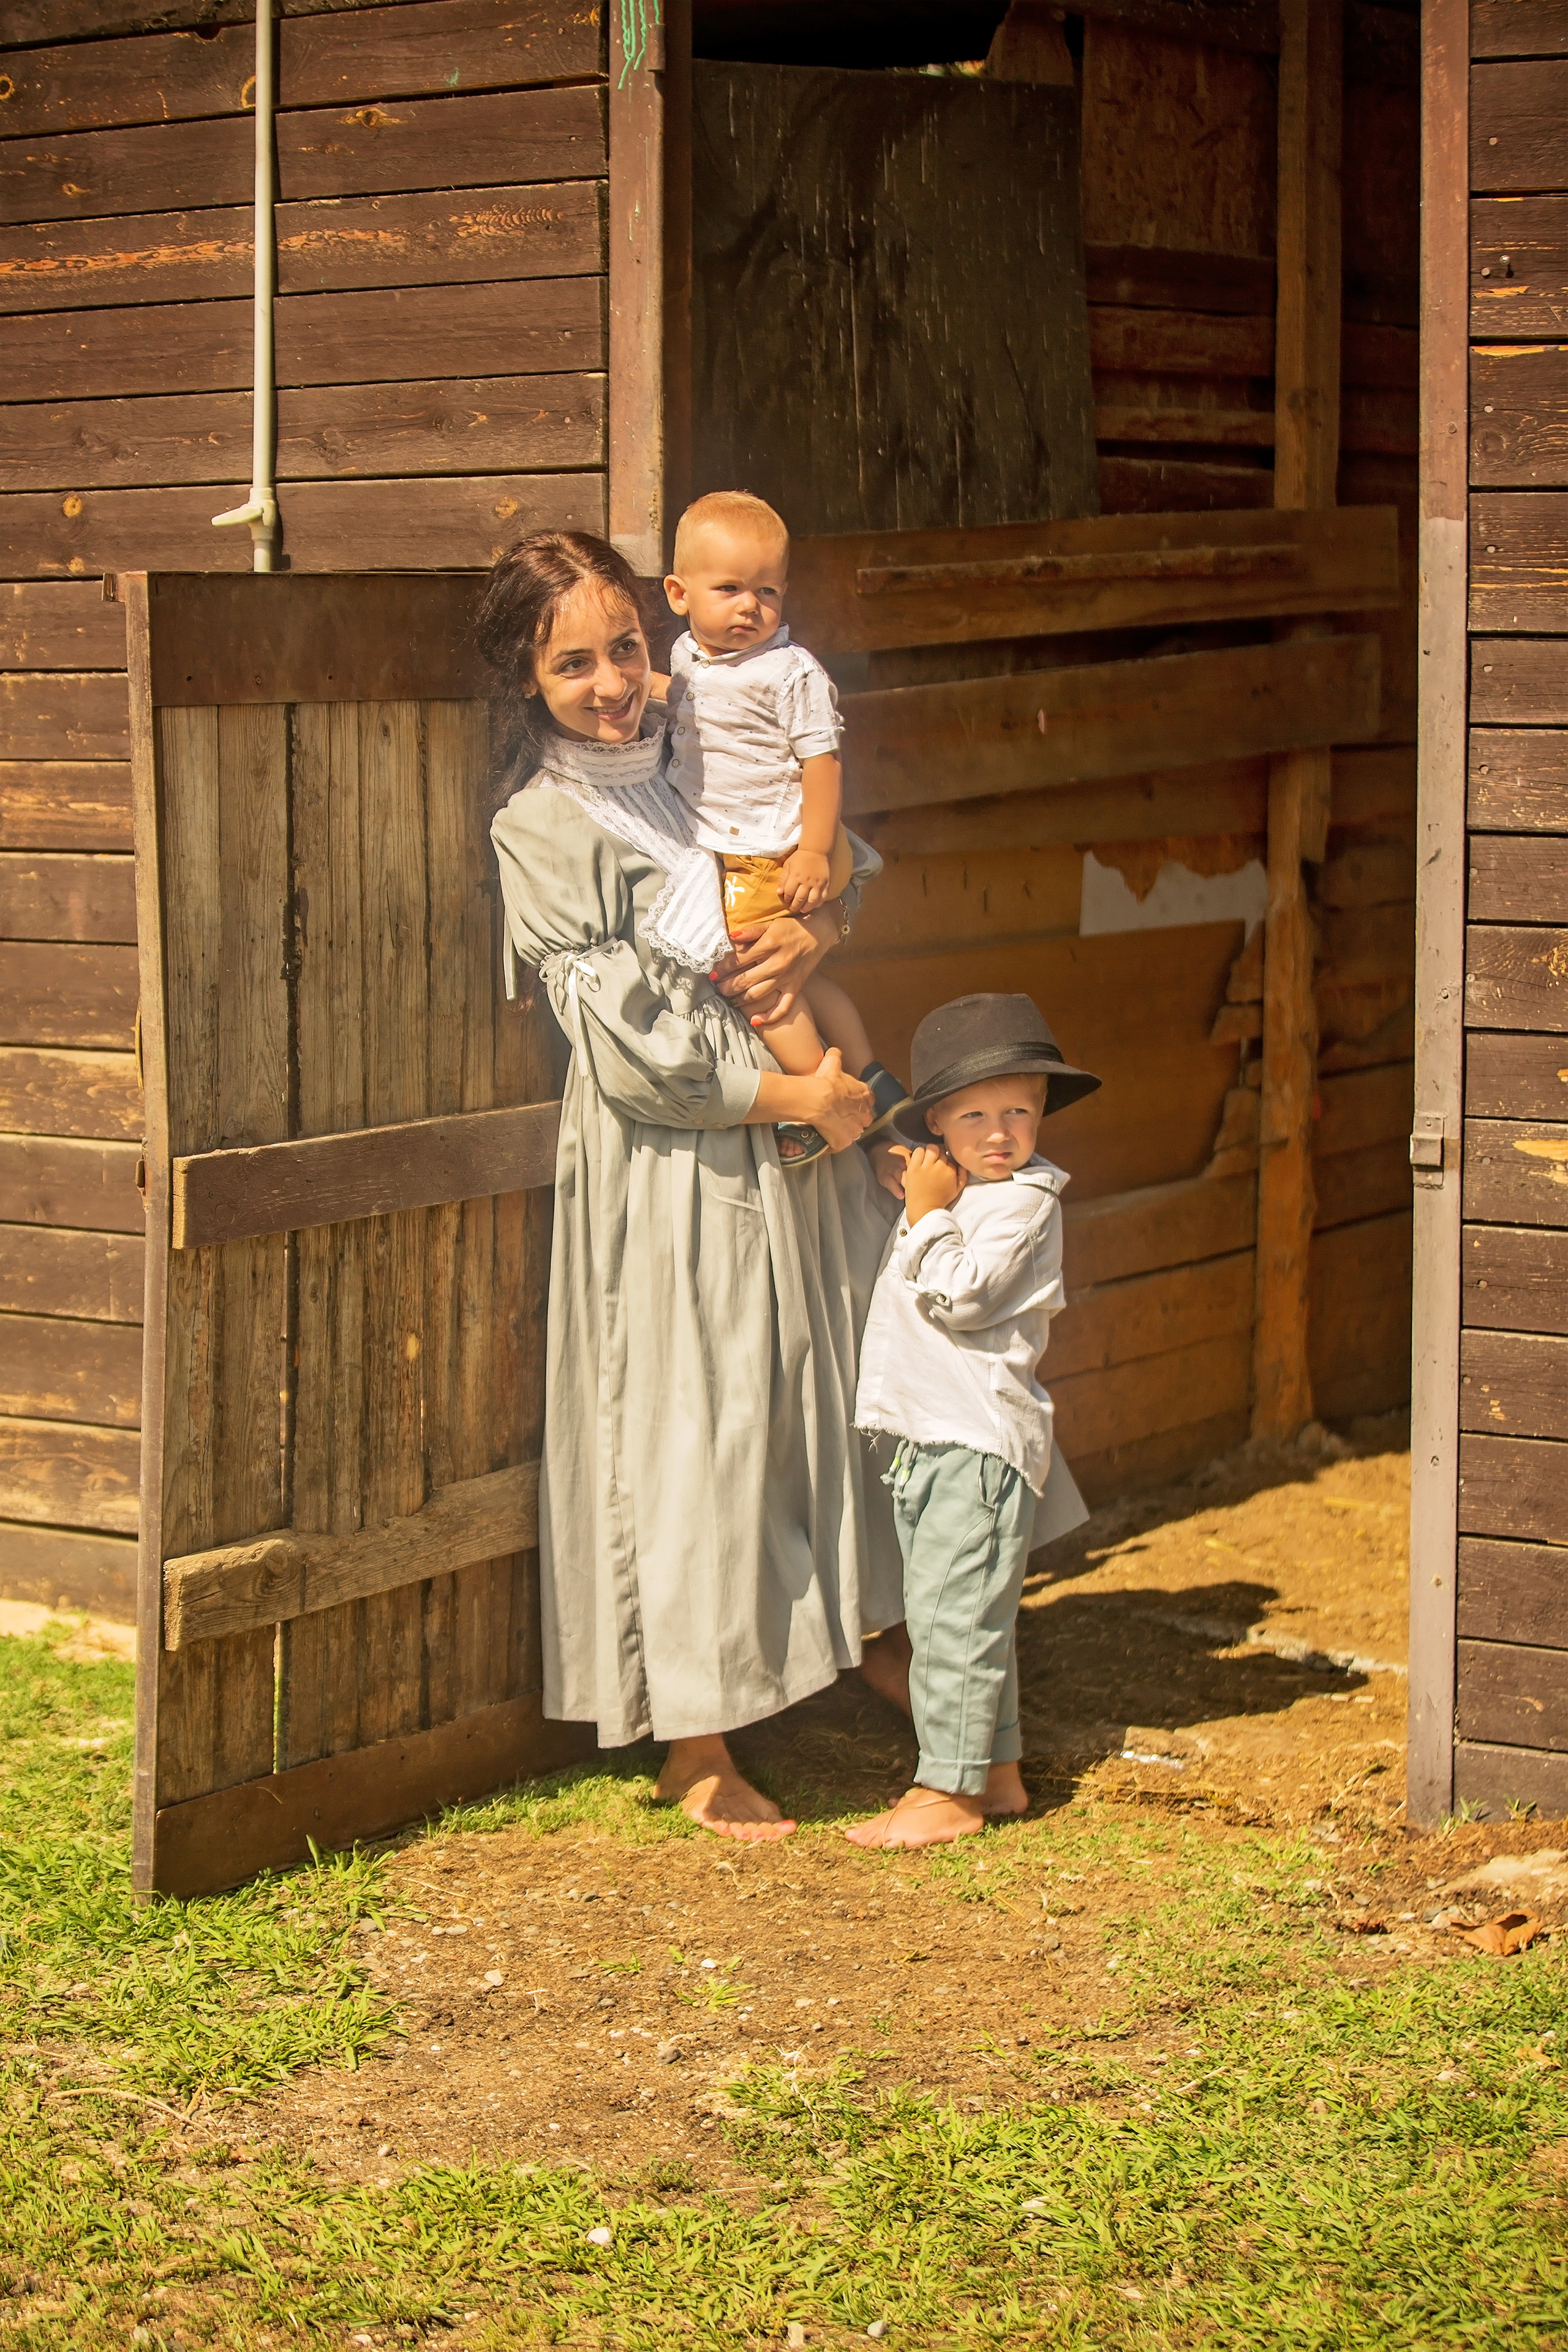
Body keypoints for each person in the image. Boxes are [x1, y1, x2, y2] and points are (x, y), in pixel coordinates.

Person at [479, 529, 906, 1841]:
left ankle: (862, 1636)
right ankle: (694, 1736)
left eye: (622, 648)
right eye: (572, 664)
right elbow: (614, 1030)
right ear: (525, 678)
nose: (611, 683)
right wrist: (797, 1098)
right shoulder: (540, 824)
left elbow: (835, 863)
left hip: (795, 1133)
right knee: (691, 1415)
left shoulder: (704, 746)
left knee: (818, 1380)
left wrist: (813, 929)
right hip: (675, 1147)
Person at [850, 993, 1099, 1850]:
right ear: (939, 1132)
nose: (1001, 1132)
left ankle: (944, 1792)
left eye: (1020, 1111)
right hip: (933, 1440)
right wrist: (921, 1197)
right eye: (976, 1115)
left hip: (977, 1444)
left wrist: (923, 1213)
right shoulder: (963, 1198)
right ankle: (995, 1773)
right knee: (959, 1612)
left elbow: (962, 1297)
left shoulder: (1025, 1203)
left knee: (953, 1621)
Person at [663, 490, 909, 1166]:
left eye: (767, 591)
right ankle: (870, 1074)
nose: (751, 606)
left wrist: (812, 850)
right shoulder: (689, 658)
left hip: (761, 853)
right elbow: (681, 697)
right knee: (801, 981)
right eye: (731, 588)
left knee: (757, 984)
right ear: (679, 594)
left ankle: (822, 1098)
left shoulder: (789, 671)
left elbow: (821, 764)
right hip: (724, 848)